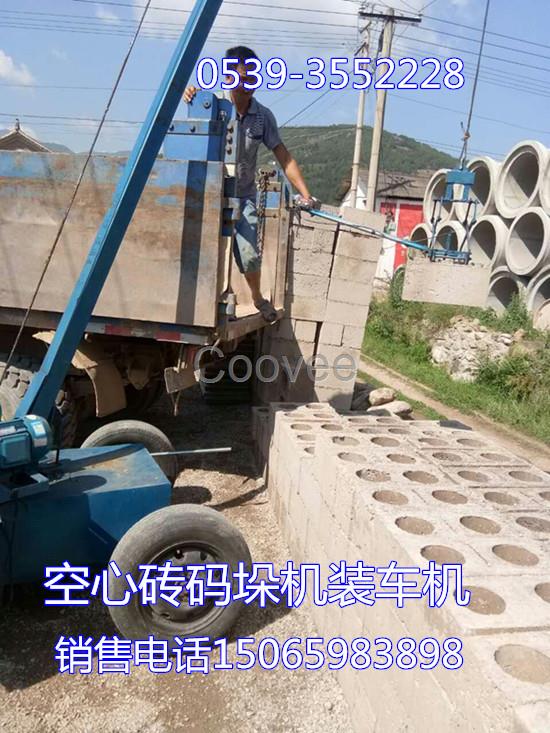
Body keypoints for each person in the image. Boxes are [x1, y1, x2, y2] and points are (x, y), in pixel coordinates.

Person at [184, 45, 315, 323]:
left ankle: (257, 298)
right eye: (243, 78)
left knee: (248, 254)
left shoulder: (263, 117)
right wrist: (191, 96)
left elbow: (283, 156)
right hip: (209, 194)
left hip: (243, 195)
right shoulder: (212, 106)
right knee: (204, 249)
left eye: (253, 78)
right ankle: (204, 301)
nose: (249, 85)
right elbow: (190, 136)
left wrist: (306, 194)